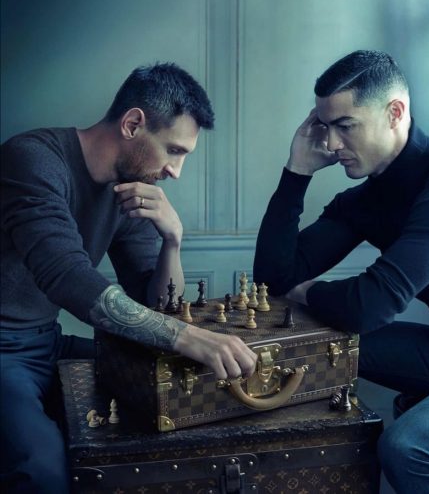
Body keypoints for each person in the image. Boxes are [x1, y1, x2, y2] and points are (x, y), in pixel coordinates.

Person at [0, 62, 257, 493]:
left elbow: (155, 305)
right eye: (173, 150)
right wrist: (186, 336)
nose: (176, 171)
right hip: (5, 351)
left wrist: (173, 240)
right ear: (133, 124)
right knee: (41, 471)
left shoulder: (130, 189)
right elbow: (66, 276)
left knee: (176, 387)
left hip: (48, 342)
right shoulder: (32, 160)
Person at [253, 50, 429, 493]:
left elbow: (371, 305)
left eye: (345, 126)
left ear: (395, 113)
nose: (331, 143)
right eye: (325, 127)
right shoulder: (365, 201)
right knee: (309, 348)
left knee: (409, 446)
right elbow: (273, 279)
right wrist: (297, 172)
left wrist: (307, 292)